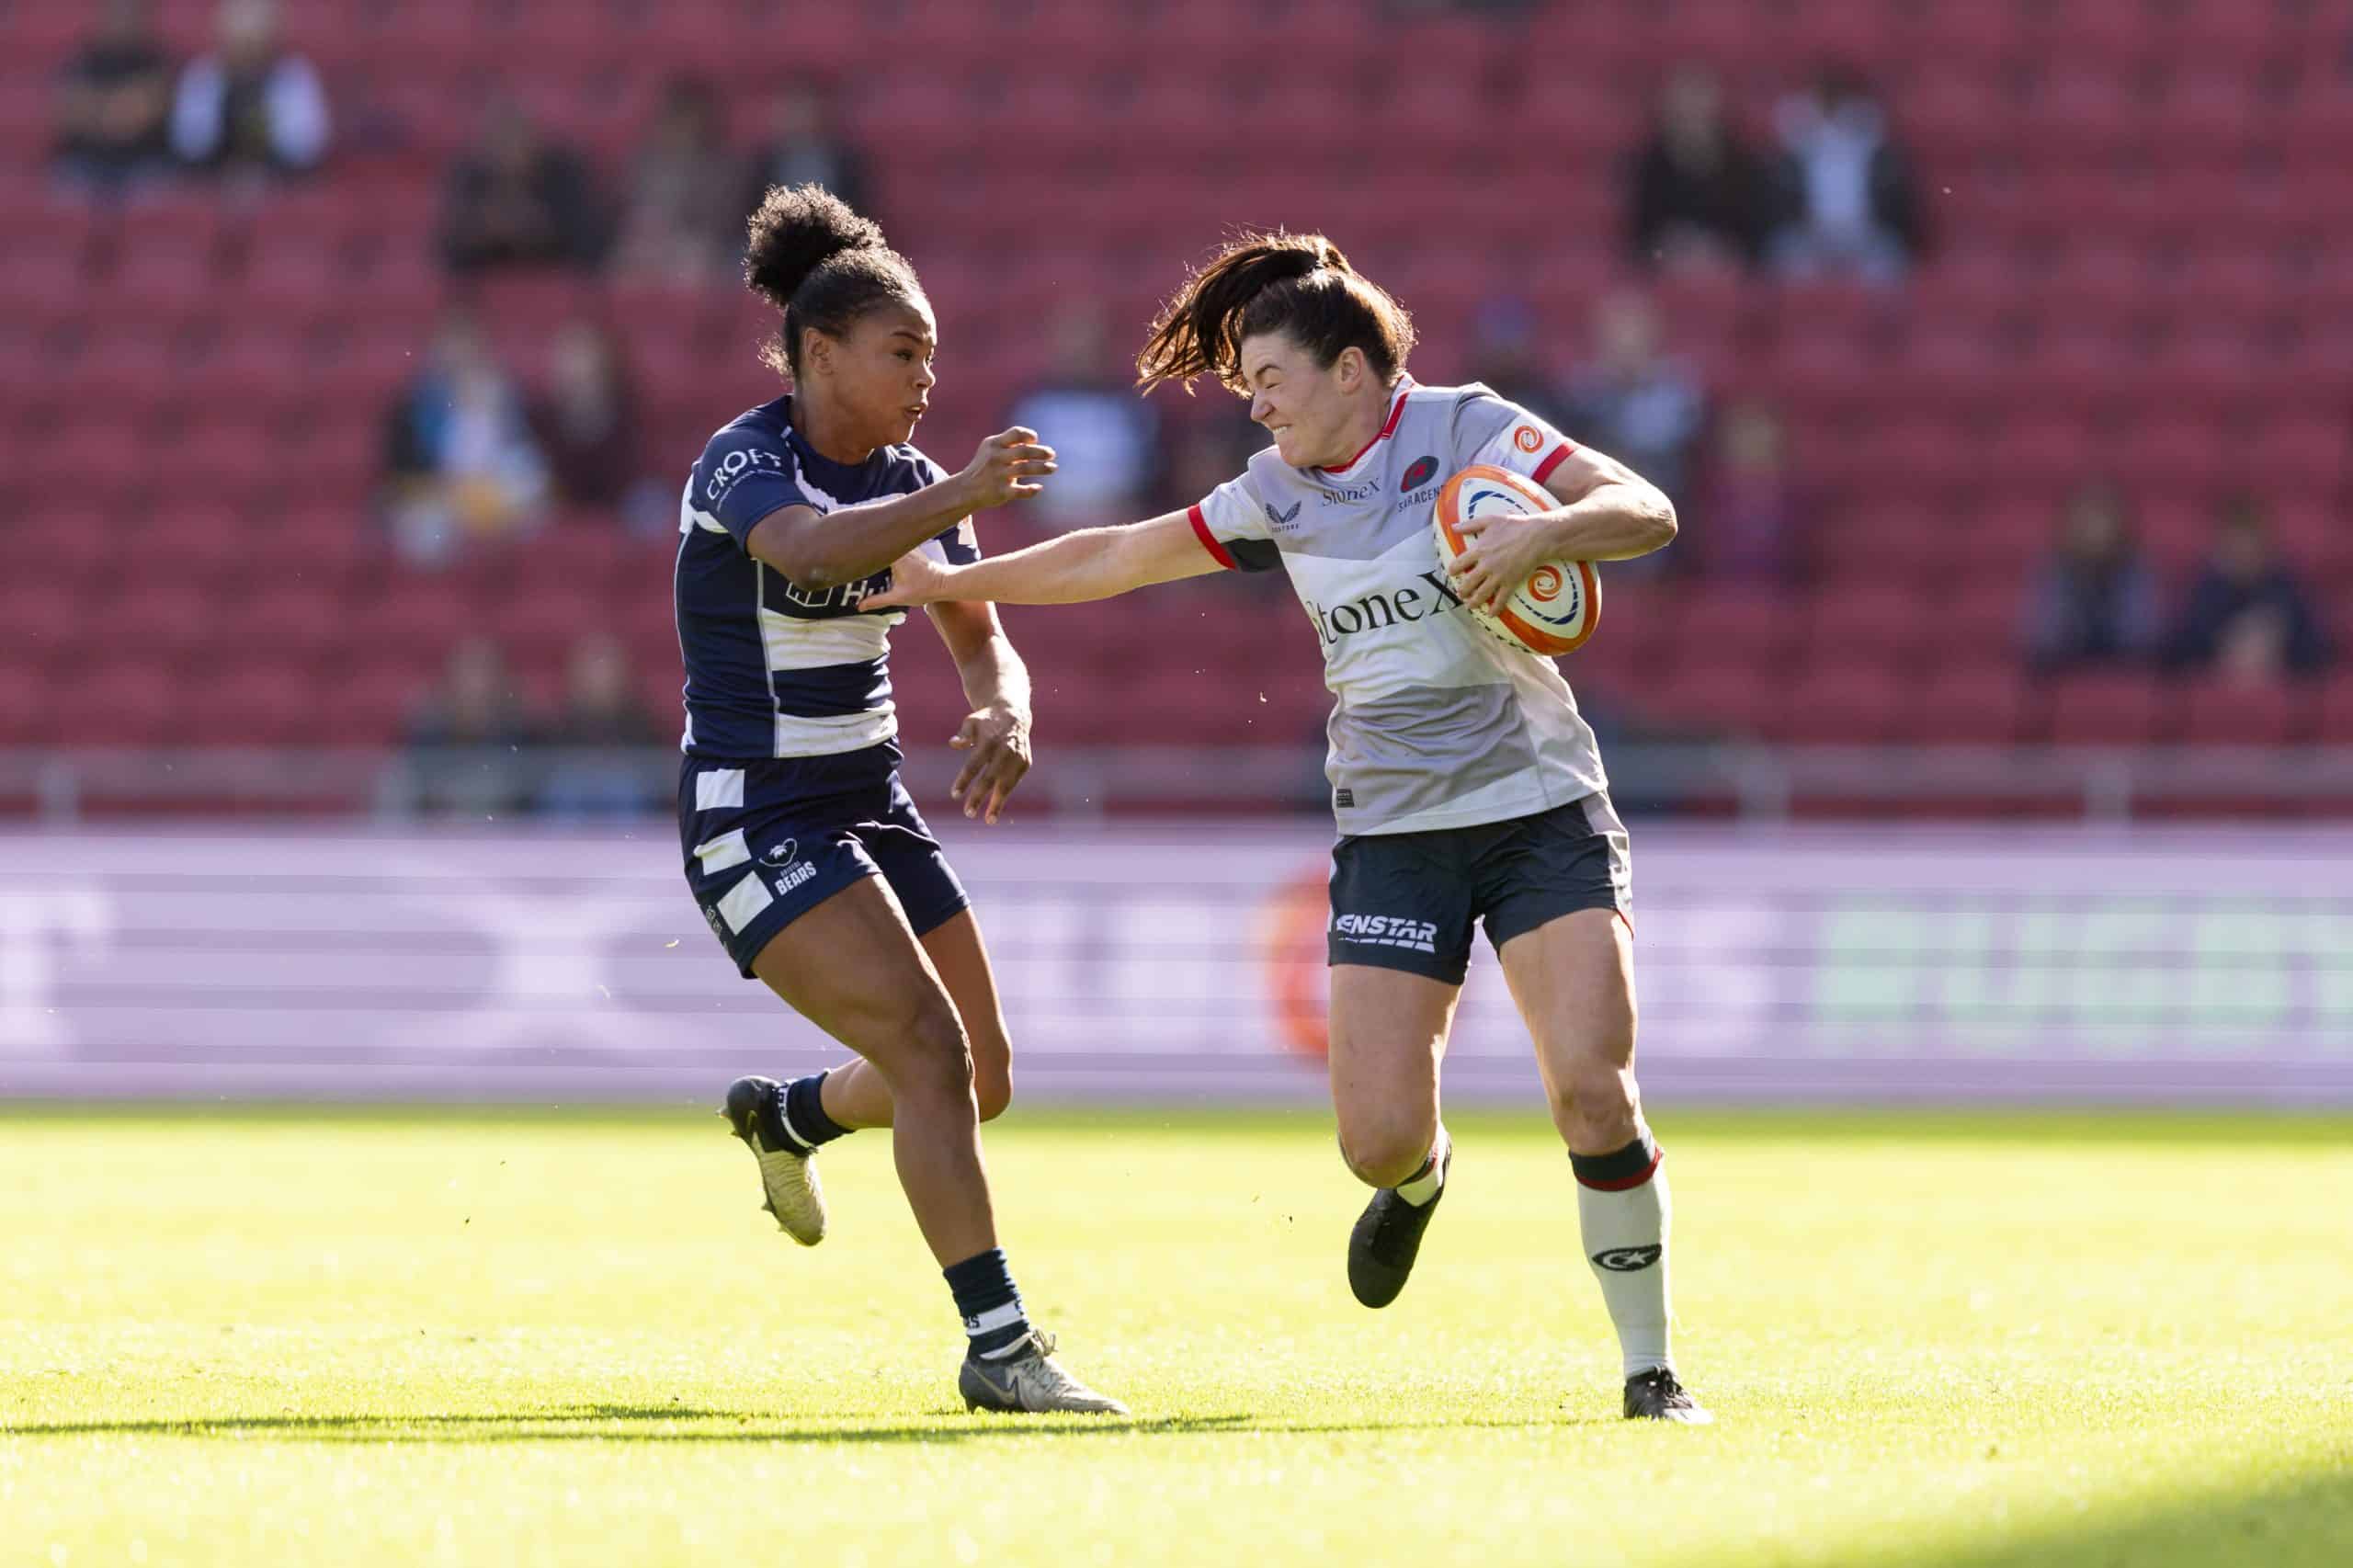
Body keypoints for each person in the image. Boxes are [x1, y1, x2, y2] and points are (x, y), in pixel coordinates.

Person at [869, 232, 1710, 1425]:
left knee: (1591, 1089)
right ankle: (1419, 1179)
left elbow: (1648, 507)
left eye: (1270, 381)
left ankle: (1651, 1370)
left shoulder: (1470, 429)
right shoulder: (1275, 492)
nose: (1254, 405)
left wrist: (1547, 533)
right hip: (1394, 834)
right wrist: (949, 581)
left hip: (1540, 808)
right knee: (1373, 1141)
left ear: (1354, 369)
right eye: (1245, 388)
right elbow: (1117, 554)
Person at [682, 185, 1122, 1415]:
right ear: (821, 354)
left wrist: (1005, 706)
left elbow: (979, 634)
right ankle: (1001, 1347)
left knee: (977, 1073)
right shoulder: (747, 462)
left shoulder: (920, 475)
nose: (929, 375)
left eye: (933, 352)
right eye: (904, 350)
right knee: (928, 1052)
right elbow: (816, 550)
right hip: (754, 815)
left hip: (867, 801)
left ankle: (791, 1116)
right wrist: (963, 495)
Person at [380, 313, 551, 565]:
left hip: (495, 494)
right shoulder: (421, 408)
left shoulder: (507, 398)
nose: (458, 355)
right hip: (448, 497)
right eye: (451, 345)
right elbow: (418, 470)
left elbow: (523, 461)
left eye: (466, 345)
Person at [1764, 63, 1924, 283]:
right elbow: (1779, 199)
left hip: (1865, 236)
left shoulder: (1873, 140)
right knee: (1788, 260)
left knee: (1889, 263)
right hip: (1809, 236)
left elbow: (1896, 201)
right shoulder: (1796, 136)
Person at [1007, 303, 1159, 530]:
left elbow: (1148, 477)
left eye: (1087, 347)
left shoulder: (1131, 410)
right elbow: (1013, 481)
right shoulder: (1032, 409)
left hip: (1117, 528)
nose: (1079, 355)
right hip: (1046, 530)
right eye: (1072, 347)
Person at [438, 98, 610, 275]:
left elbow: (591, 244)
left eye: (516, 139)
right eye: (501, 141)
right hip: (491, 288)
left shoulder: (564, 174)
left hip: (556, 282)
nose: (510, 149)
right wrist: (485, 231)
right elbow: (450, 252)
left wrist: (540, 228)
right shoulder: (473, 178)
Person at [2163, 497, 2331, 678]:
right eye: (2235, 543)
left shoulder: (2286, 588)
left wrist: (2278, 643)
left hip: (2278, 689)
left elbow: (2317, 649)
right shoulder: (2205, 589)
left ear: (2265, 545)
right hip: (2217, 688)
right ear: (2221, 547)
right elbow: (2177, 652)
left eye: (2250, 543)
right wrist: (2223, 644)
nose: (2243, 551)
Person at [1625, 66, 1767, 271]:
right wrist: (1669, 250)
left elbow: (1754, 240)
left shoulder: (1741, 165)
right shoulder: (1651, 166)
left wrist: (1718, 250)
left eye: (1699, 102)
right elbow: (1641, 240)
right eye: (1684, 106)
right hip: (1667, 268)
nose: (1692, 111)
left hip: (1726, 271)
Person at [168, 0, 329, 179]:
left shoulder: (294, 74)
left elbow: (305, 147)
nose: (248, 53)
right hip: (213, 182)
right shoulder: (203, 74)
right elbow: (191, 145)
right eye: (241, 44)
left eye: (256, 43)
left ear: (274, 39)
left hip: (281, 184)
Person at [611, 75, 744, 284]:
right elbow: (629, 205)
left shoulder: (720, 166)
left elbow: (720, 217)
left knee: (692, 260)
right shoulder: (646, 160)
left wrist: (678, 229)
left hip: (694, 241)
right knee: (627, 263)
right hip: (646, 238)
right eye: (675, 119)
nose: (681, 127)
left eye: (688, 120)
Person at [2023, 482, 2160, 671]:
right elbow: (2042, 638)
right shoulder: (2056, 570)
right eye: (2087, 522)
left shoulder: (2135, 569)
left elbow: (2143, 638)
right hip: (2064, 675)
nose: (2094, 531)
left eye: (2101, 521)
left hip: (2123, 676)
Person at [51, 0, 177, 195]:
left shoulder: (158, 60)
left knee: (158, 187)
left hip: (144, 162)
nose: (122, 21)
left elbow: (147, 108)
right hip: (86, 160)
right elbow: (72, 111)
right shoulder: (83, 58)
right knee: (65, 184)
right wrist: (122, 106)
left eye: (129, 14)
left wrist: (100, 108)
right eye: (117, 14)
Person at [739, 80, 869, 225]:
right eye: (792, 110)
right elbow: (752, 212)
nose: (799, 117)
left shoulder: (844, 161)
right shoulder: (766, 162)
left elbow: (858, 211)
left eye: (805, 109)